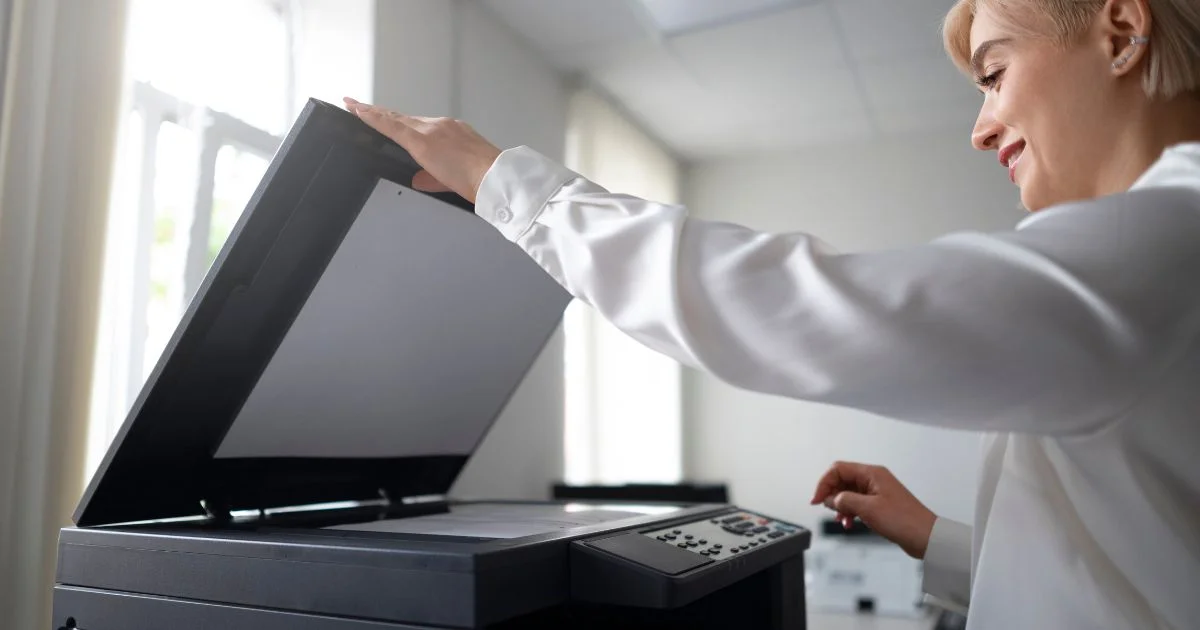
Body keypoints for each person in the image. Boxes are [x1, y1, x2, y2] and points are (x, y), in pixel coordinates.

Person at [344, 0, 1200, 627]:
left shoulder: (1167, 239)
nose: (980, 128)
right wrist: (934, 537)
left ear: (1122, 30)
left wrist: (507, 184)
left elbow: (806, 307)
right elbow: (1135, 569)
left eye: (995, 74)